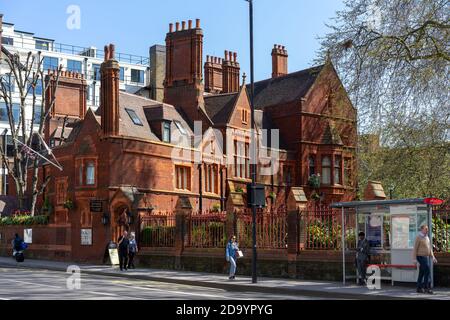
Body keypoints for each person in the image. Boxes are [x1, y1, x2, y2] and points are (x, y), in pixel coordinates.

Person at [413, 225, 438, 294]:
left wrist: (433, 257)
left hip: (426, 257)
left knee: (422, 272)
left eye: (427, 229)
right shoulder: (418, 237)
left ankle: (418, 288)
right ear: (422, 230)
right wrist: (414, 259)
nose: (427, 230)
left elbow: (430, 248)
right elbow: (415, 249)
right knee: (427, 271)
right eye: (425, 229)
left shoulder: (427, 237)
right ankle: (427, 288)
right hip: (420, 257)